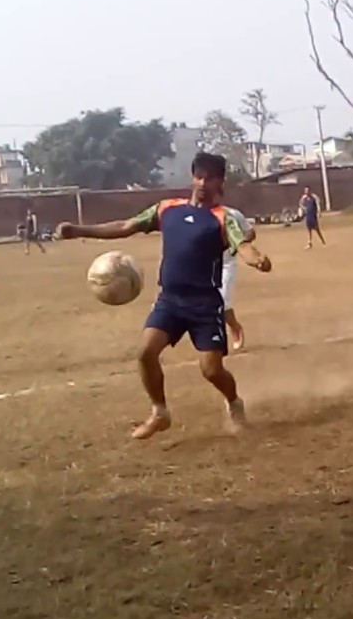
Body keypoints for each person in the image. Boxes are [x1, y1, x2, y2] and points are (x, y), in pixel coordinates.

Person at [56, 153, 272, 441]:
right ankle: (160, 412)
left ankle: (234, 402)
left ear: (221, 182)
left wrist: (256, 259)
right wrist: (79, 230)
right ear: (192, 177)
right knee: (145, 353)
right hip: (170, 301)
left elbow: (242, 244)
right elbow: (125, 226)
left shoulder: (223, 218)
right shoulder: (167, 209)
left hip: (205, 305)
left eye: (210, 178)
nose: (203, 183)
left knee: (211, 371)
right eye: (199, 176)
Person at [220, 206, 255, 352]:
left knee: (223, 302)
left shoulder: (233, 214)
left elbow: (250, 233)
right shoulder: (198, 214)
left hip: (227, 263)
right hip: (205, 265)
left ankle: (235, 328)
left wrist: (237, 243)